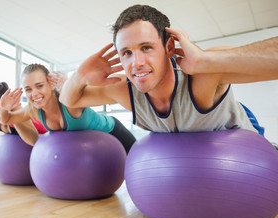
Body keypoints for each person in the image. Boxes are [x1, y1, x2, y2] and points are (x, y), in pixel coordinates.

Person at [59, 4, 278, 135]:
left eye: (146, 47)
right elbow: (69, 100)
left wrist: (204, 60)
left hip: (245, 142)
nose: (136, 63)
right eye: (126, 53)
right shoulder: (125, 90)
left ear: (169, 47)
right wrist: (79, 75)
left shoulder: (203, 73)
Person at [0, 63, 136, 154]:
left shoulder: (68, 101)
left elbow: (98, 91)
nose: (34, 94)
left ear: (51, 84)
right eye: (28, 89)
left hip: (113, 133)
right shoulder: (33, 109)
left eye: (40, 86)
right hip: (92, 151)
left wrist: (71, 87)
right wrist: (3, 107)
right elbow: (7, 119)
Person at [0, 82, 46, 146]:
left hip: (48, 135)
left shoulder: (14, 110)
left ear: (0, 101)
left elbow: (33, 140)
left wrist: (11, 116)